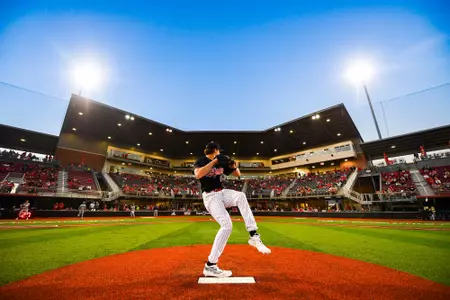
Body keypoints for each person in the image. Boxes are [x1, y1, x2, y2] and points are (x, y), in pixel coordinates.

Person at [193, 142, 270, 278]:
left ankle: (253, 235)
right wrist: (215, 161)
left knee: (240, 196)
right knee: (227, 225)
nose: (220, 153)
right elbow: (198, 175)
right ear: (215, 150)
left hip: (222, 192)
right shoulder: (201, 161)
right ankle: (211, 265)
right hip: (210, 197)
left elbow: (237, 174)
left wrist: (233, 166)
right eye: (218, 151)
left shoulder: (222, 161)